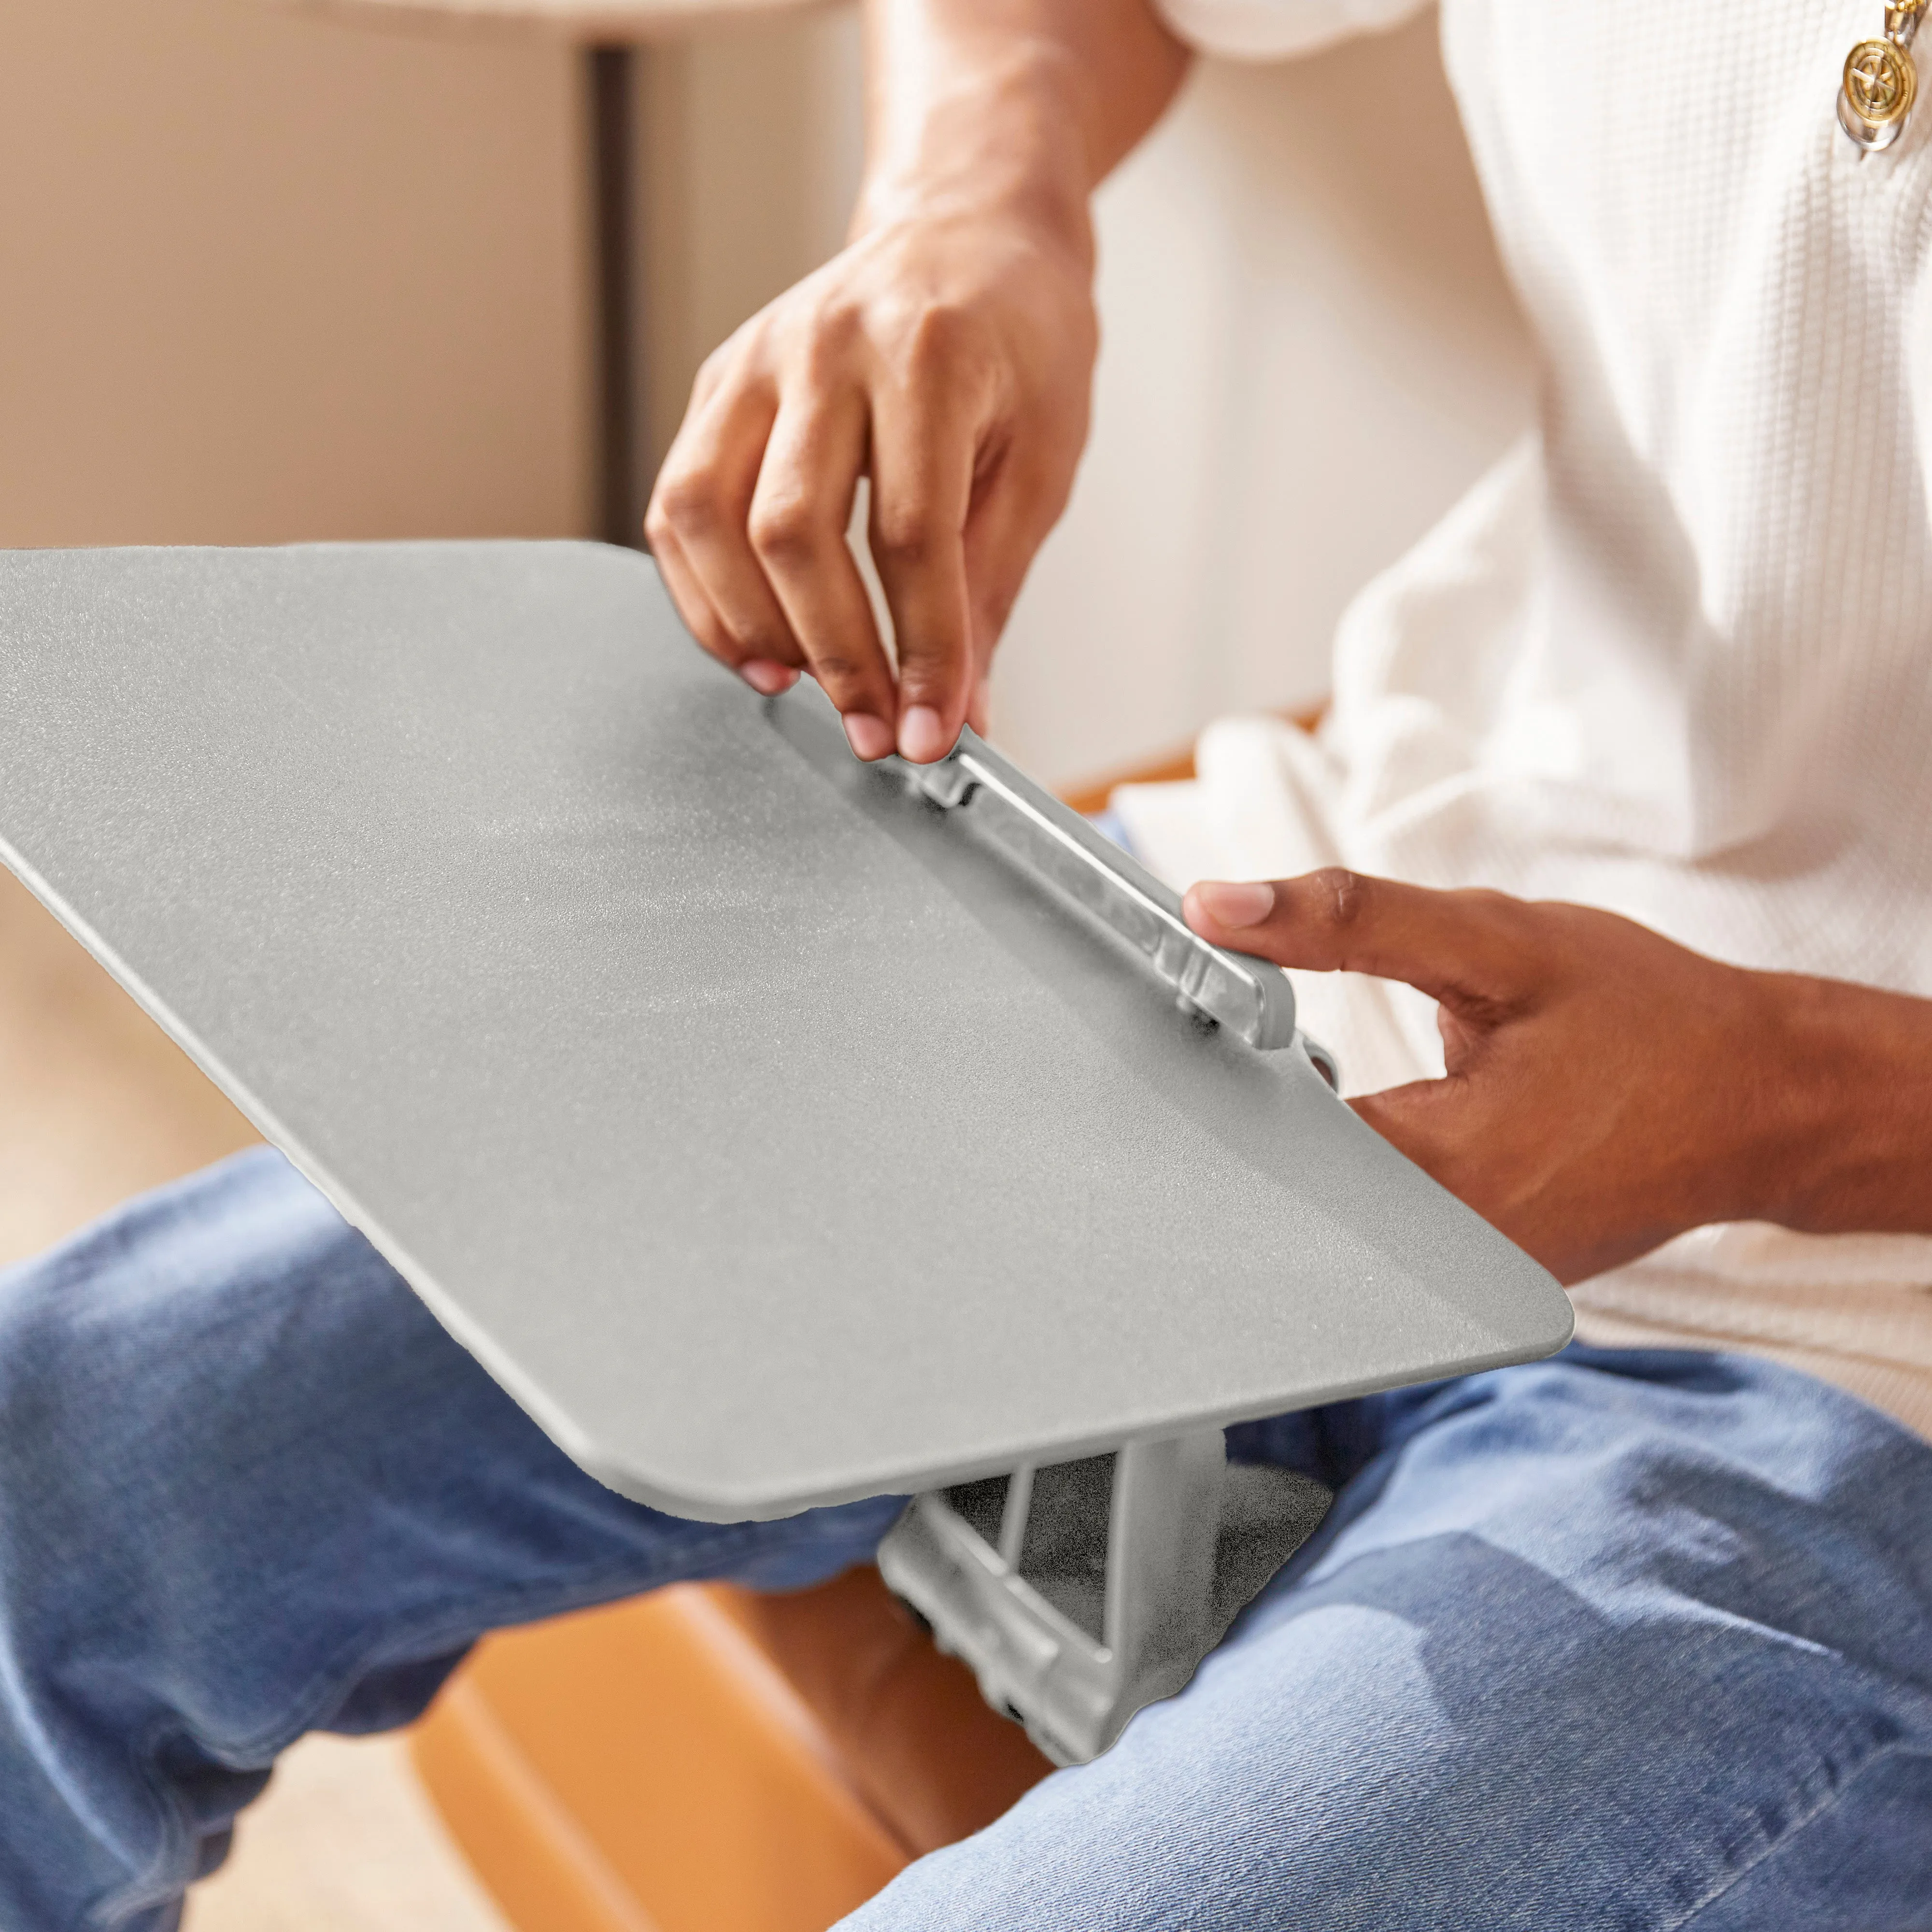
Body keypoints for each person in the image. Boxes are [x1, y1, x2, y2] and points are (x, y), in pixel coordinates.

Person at [3, 0, 1931, 1924]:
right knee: (63, 1461)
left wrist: (1788, 1092)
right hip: (1291, 975)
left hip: (1869, 1363)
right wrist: (975, 202)